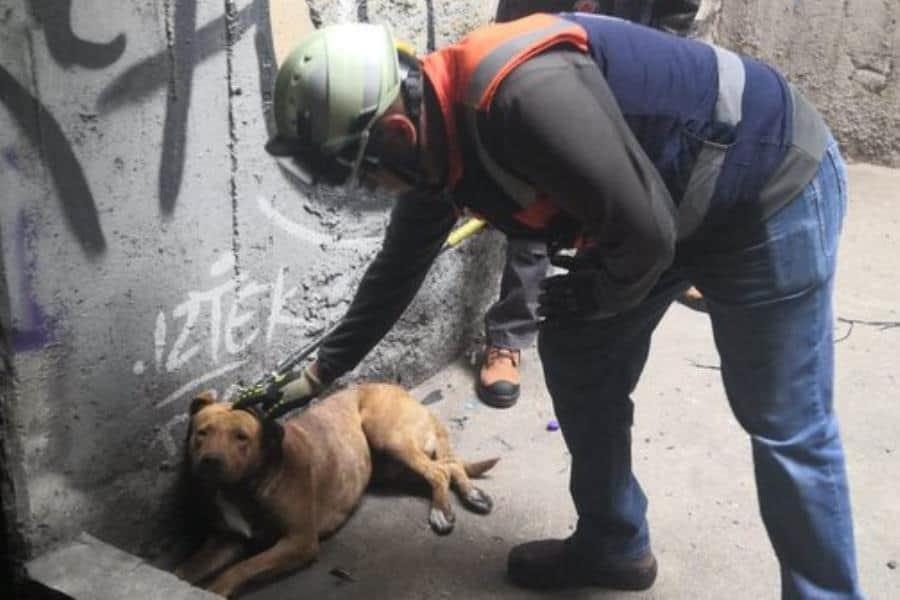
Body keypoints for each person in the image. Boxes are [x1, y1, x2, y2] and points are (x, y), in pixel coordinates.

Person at [262, 11, 863, 598]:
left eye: (366, 177)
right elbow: (395, 273)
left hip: (766, 184)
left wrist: (599, 289)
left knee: (785, 421)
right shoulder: (432, 149)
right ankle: (615, 543)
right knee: (579, 351)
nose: (371, 191)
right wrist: (318, 373)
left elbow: (648, 236)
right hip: (659, 205)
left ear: (396, 134)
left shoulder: (523, 99)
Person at [477, 0, 703, 409]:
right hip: (548, 51)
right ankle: (508, 337)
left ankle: (664, 272)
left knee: (647, 173)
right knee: (535, 186)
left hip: (631, 48)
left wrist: (662, 47)